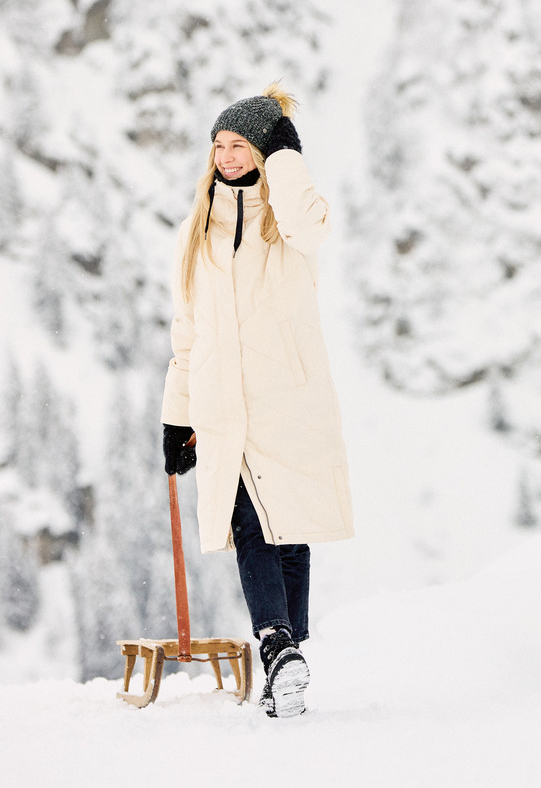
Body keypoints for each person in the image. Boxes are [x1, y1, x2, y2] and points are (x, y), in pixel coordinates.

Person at [161, 83, 354, 718]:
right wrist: (176, 415)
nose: (226, 155)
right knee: (250, 522)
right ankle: (278, 647)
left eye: (241, 144)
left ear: (264, 149)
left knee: (288, 530)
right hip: (221, 408)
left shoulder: (288, 219)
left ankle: (286, 663)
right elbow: (186, 334)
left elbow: (308, 223)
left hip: (286, 399)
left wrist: (286, 154)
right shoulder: (198, 231)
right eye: (218, 145)